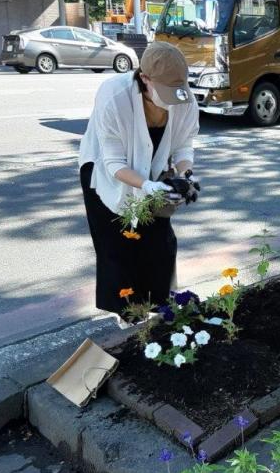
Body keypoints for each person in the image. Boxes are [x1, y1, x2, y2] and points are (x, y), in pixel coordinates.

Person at [79, 41, 200, 326]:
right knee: (117, 242)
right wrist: (145, 186)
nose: (173, 99)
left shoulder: (184, 98)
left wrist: (184, 176)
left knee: (160, 237)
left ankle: (161, 300)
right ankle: (129, 311)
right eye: (165, 92)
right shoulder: (114, 98)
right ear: (145, 79)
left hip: (153, 170)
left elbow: (183, 146)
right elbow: (113, 163)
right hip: (105, 173)